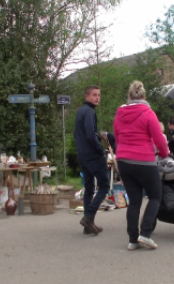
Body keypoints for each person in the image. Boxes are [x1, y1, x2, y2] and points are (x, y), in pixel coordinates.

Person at [113, 80, 169, 251]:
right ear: (144, 96)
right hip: (144, 160)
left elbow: (116, 136)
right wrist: (165, 154)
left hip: (123, 160)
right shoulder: (148, 113)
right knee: (155, 196)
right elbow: (158, 138)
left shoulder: (120, 113)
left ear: (129, 96)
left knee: (135, 201)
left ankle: (132, 239)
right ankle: (145, 233)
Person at [74, 86, 110, 235]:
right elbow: (90, 135)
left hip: (82, 154)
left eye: (99, 95)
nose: (97, 98)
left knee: (89, 189)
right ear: (87, 96)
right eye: (94, 95)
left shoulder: (81, 111)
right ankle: (89, 218)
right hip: (92, 155)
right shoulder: (89, 112)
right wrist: (100, 149)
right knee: (104, 187)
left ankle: (88, 225)